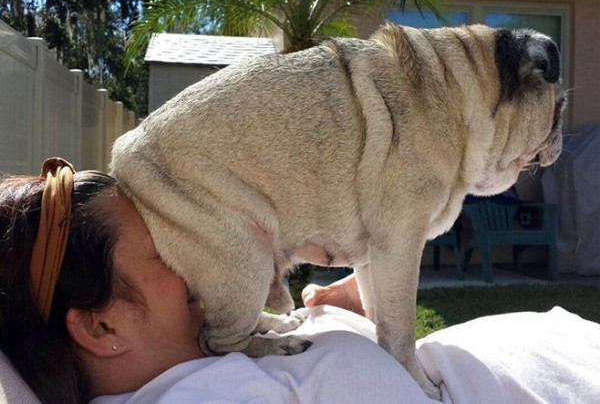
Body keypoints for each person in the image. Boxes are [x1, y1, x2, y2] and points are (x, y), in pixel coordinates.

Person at [2, 158, 600, 404]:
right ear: (100, 326)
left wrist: (344, 315)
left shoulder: (204, 351)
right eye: (166, 250)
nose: (198, 253)